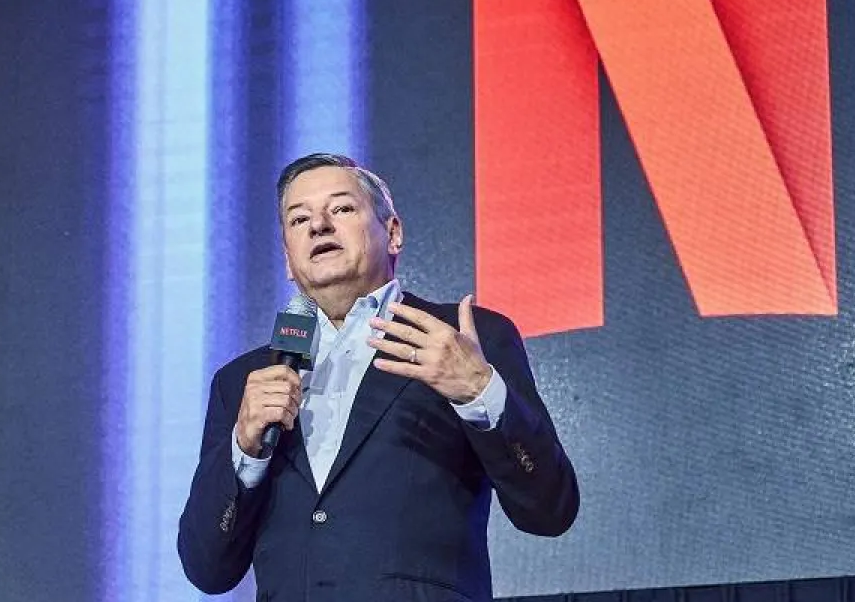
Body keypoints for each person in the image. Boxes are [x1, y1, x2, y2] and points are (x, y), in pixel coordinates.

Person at [178, 153, 578, 601]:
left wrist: (479, 392)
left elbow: (550, 509)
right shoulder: (244, 383)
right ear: (289, 261)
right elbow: (207, 569)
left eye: (342, 208)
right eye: (299, 219)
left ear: (393, 233)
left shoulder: (463, 340)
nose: (319, 225)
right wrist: (245, 450)